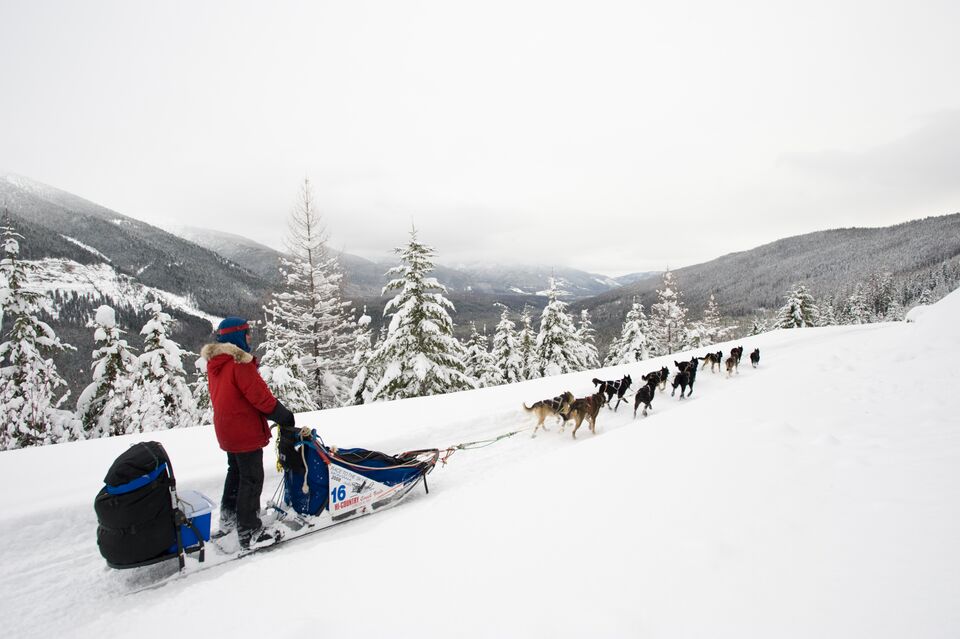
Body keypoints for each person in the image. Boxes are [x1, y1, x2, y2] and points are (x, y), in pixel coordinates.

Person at [200, 316, 295, 548]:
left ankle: (229, 521)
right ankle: (250, 531)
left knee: (236, 473)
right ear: (236, 335)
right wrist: (284, 416)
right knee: (251, 478)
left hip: (227, 430)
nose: (250, 337)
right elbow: (261, 398)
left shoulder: (217, 364)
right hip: (243, 431)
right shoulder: (239, 364)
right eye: (247, 333)